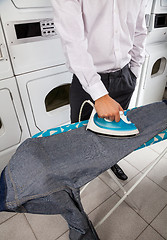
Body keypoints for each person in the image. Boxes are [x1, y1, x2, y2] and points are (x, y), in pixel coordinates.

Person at [51, 0, 147, 180]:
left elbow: (139, 31)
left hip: (125, 75)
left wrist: (134, 71)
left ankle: (110, 161)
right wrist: (100, 94)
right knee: (80, 137)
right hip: (89, 79)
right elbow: (73, 41)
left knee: (113, 132)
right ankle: (80, 174)